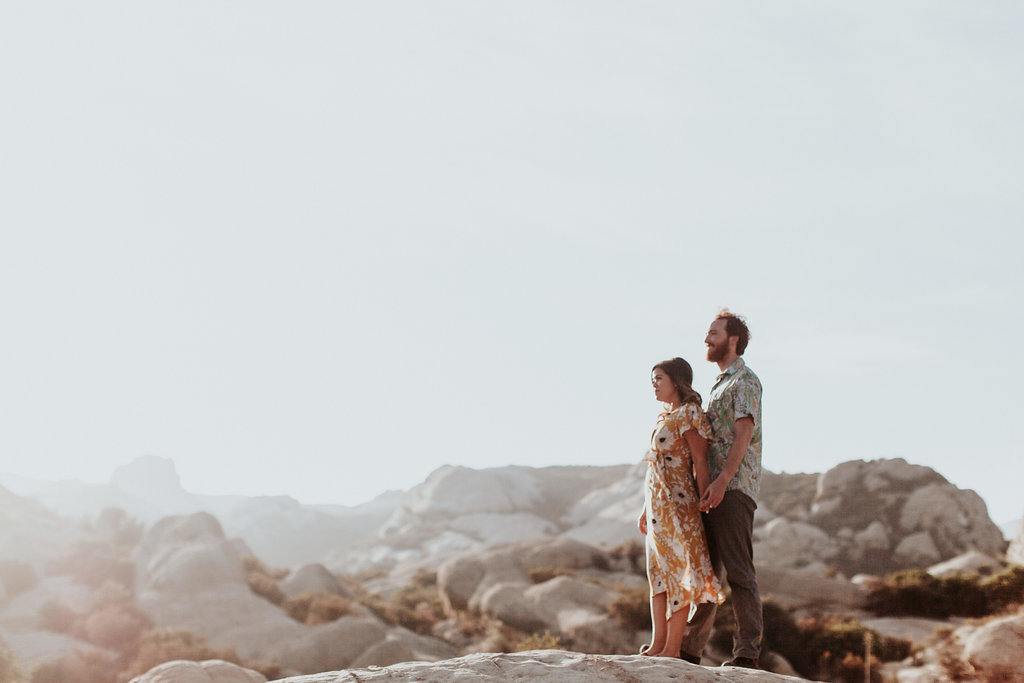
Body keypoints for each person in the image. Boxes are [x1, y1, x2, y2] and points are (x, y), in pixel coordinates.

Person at [680, 309, 764, 669]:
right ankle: (688, 652)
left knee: (739, 574)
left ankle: (746, 655)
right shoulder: (717, 385)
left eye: (713, 333)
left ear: (733, 340)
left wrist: (722, 481)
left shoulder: (744, 380)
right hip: (709, 491)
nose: (706, 339)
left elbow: (743, 434)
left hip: (732, 489)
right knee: (705, 573)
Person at [637, 357, 725, 660]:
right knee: (657, 575)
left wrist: (704, 501)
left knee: (678, 573)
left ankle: (673, 649)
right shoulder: (663, 417)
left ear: (676, 381)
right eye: (653, 379)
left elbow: (700, 460)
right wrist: (644, 510)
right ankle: (657, 644)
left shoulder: (689, 413)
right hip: (657, 508)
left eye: (659, 378)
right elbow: (654, 470)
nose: (654, 384)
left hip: (679, 506)